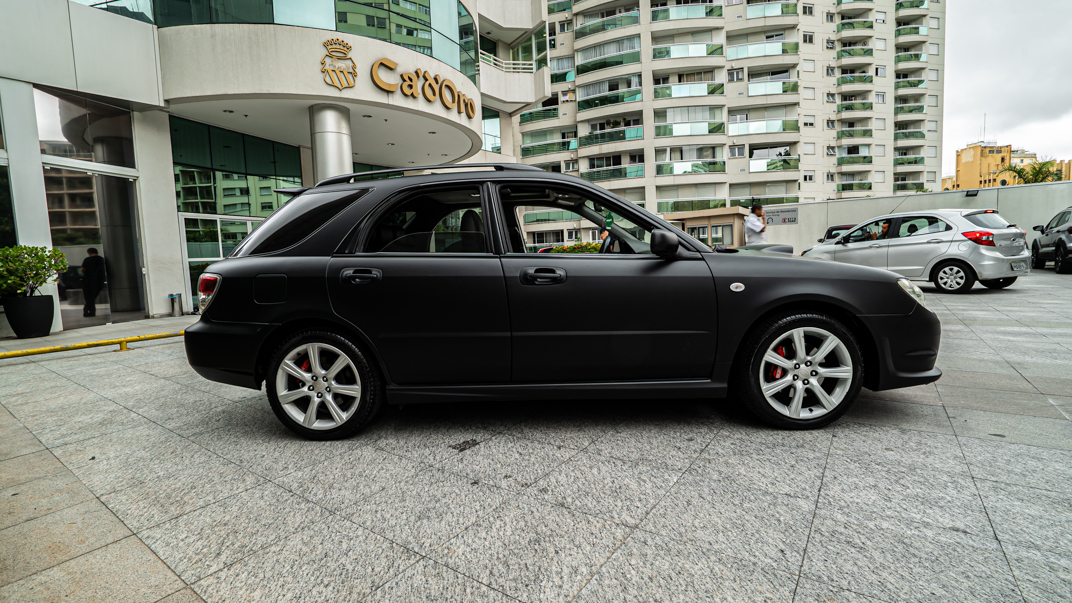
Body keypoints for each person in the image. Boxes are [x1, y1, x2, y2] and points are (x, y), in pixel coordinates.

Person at [80, 248, 106, 317]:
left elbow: (82, 270)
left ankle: (88, 311)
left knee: (88, 297)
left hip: (88, 281)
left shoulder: (87, 260)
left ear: (89, 253)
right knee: (93, 297)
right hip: (99, 280)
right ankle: (90, 312)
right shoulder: (101, 259)